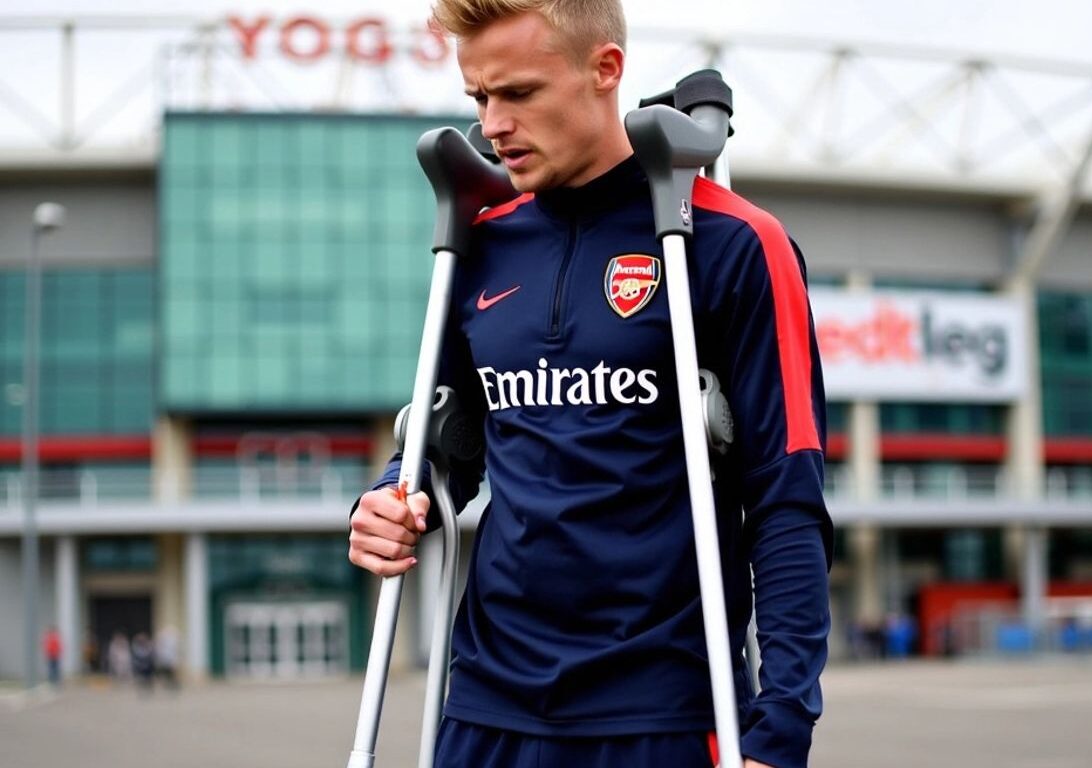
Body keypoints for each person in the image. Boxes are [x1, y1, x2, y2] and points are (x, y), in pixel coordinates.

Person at [348, 2, 832, 766]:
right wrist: (389, 501)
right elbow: (444, 450)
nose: (495, 123)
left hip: (666, 711)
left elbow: (787, 502)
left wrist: (782, 728)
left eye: (520, 93)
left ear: (604, 70)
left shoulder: (733, 242)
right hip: (487, 705)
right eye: (479, 98)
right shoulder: (479, 243)